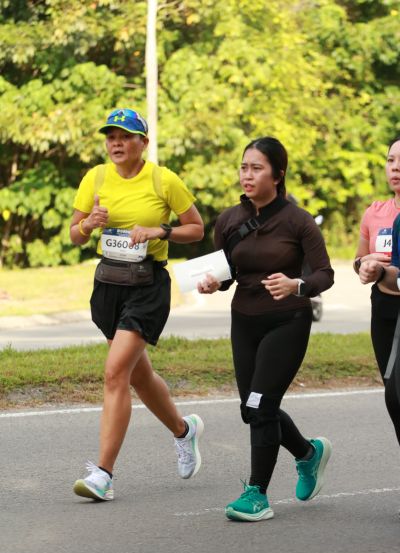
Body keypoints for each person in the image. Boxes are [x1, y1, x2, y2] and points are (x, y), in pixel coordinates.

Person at [70, 108, 204, 501]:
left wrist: (159, 230)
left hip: (147, 286)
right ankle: (184, 430)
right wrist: (88, 224)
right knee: (137, 377)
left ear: (143, 142)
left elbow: (196, 228)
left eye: (125, 136)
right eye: (111, 136)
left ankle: (103, 475)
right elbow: (75, 234)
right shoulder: (95, 178)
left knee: (115, 374)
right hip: (108, 285)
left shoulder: (164, 180)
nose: (116, 143)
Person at [197, 136, 334, 522]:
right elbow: (229, 273)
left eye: (257, 168)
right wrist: (213, 283)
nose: (248, 175)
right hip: (244, 322)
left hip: (287, 321)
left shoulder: (297, 220)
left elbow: (325, 274)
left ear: (277, 175)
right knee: (253, 408)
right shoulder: (229, 220)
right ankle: (308, 453)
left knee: (260, 406)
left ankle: (256, 493)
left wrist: (296, 285)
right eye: (244, 167)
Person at [358, 135, 400, 447]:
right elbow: (359, 259)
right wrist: (365, 266)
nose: (395, 168)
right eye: (390, 160)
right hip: (383, 307)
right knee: (393, 394)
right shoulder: (375, 212)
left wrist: (385, 270)